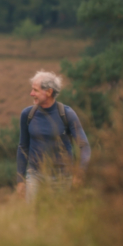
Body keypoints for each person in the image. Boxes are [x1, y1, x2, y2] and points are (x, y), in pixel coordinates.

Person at [16, 70, 91, 202]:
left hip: (62, 177)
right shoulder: (27, 115)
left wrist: (80, 173)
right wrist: (20, 180)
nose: (31, 93)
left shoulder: (67, 114)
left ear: (49, 92)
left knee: (58, 213)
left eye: (35, 90)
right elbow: (23, 147)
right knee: (32, 213)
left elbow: (84, 146)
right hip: (35, 176)